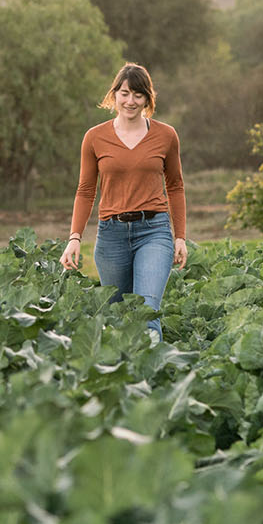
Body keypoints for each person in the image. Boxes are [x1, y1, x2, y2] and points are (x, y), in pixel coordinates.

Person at [59, 62, 187, 340]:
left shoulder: (166, 136)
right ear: (114, 94)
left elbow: (175, 186)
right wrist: (75, 237)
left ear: (147, 99)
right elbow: (85, 190)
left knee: (145, 312)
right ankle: (125, 378)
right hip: (111, 235)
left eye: (138, 95)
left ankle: (153, 375)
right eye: (125, 93)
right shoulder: (94, 138)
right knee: (117, 318)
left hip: (154, 232)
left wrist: (180, 237)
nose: (131, 101)